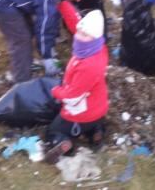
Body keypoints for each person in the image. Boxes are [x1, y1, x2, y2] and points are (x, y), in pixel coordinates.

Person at [0, 0, 97, 83]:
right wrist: (47, 56)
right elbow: (44, 24)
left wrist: (50, 47)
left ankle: (24, 64)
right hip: (2, 2)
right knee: (22, 41)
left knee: (29, 32)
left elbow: (53, 16)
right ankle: (21, 82)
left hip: (14, 0)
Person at [44, 9, 109, 164]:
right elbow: (76, 23)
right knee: (93, 124)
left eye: (85, 35)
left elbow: (73, 97)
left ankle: (64, 144)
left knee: (52, 130)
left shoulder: (88, 65)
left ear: (94, 38)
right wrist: (63, 3)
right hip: (99, 108)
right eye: (79, 32)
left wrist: (55, 91)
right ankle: (96, 135)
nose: (79, 36)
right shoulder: (100, 48)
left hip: (81, 113)